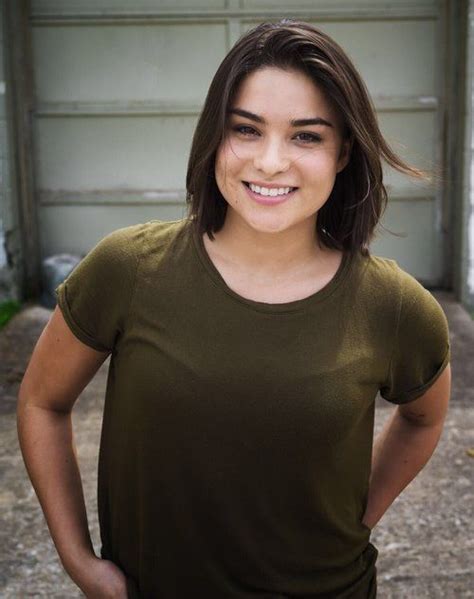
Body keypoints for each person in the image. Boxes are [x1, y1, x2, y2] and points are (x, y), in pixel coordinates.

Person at [17, 18, 451, 599]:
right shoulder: (128, 268)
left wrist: (360, 514)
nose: (270, 162)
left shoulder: (394, 307)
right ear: (213, 137)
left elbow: (423, 418)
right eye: (245, 130)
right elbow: (43, 401)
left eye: (306, 136)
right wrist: (79, 561)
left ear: (344, 151)